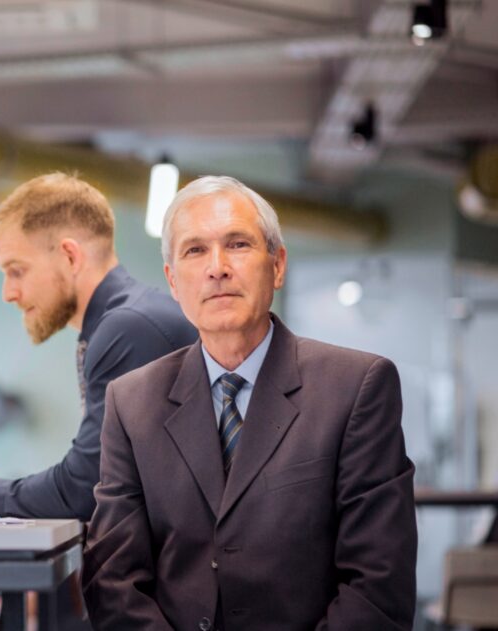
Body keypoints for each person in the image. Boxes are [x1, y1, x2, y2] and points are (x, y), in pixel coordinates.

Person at [82, 175, 417, 630]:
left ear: (277, 266)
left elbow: (378, 584)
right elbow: (113, 580)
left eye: (237, 244)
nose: (216, 267)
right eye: (194, 251)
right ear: (173, 282)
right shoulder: (131, 401)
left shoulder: (358, 388)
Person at [0, 173, 196, 521]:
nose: (8, 293)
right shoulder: (120, 323)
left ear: (70, 256)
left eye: (17, 271)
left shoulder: (128, 329)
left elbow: (87, 489)